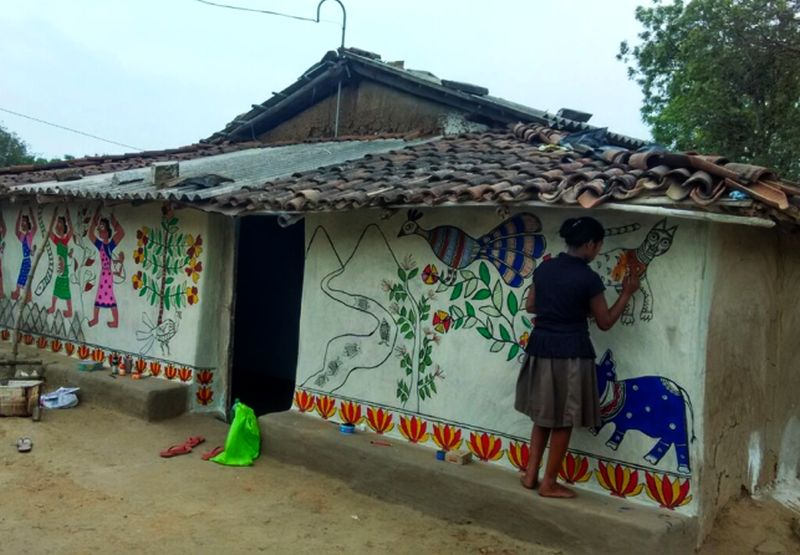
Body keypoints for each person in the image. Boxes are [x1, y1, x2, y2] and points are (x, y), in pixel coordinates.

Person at [516, 216, 640, 498]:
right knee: (564, 419)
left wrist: (565, 309)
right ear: (588, 244)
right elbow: (605, 321)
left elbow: (532, 305)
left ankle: (531, 474)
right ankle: (549, 483)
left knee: (543, 415)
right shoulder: (588, 278)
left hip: (540, 348)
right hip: (571, 352)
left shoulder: (545, 268)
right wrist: (626, 294)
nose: (597, 251)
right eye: (598, 246)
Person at [87, 206, 124, 328]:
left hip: (108, 275)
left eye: (102, 228)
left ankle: (115, 321)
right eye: (99, 228)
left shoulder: (110, 245)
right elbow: (90, 234)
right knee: (100, 296)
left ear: (108, 231)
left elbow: (121, 233)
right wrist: (95, 217)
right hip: (104, 275)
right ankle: (96, 319)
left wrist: (112, 219)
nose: (99, 231)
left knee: (109, 297)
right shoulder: (100, 245)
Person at [47, 208, 74, 318]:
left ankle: (70, 310)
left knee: (66, 291)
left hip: (64, 270)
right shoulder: (57, 241)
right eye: (57, 223)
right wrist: (54, 218)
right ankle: (53, 306)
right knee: (56, 288)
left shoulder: (65, 240)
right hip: (59, 269)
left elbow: (72, 230)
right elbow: (49, 232)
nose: (58, 225)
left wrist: (68, 217)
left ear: (64, 226)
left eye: (60, 223)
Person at [11, 207, 37, 302]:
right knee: (22, 276)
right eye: (22, 221)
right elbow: (16, 232)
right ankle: (18, 293)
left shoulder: (30, 235)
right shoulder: (22, 236)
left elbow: (35, 227)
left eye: (24, 221)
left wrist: (31, 214)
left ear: (28, 223)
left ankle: (27, 296)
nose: (22, 223)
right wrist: (19, 215)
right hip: (24, 259)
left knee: (26, 278)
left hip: (27, 260)